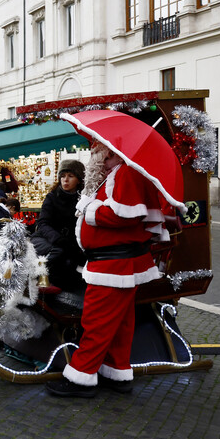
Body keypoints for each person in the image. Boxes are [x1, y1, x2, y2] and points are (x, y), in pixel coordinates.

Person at [46, 144, 167, 398]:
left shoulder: (125, 173)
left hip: (114, 264)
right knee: (120, 323)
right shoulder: (114, 176)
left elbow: (125, 215)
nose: (92, 156)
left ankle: (81, 377)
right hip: (114, 263)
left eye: (96, 150)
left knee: (96, 321)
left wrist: (90, 209)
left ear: (109, 152)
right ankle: (117, 372)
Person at [30, 159, 87, 294]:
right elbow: (43, 223)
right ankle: (38, 278)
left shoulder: (83, 199)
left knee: (72, 261)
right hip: (46, 239)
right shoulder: (52, 197)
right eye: (62, 176)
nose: (65, 180)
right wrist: (58, 239)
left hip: (70, 243)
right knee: (59, 251)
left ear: (79, 179)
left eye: (70, 176)